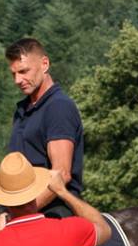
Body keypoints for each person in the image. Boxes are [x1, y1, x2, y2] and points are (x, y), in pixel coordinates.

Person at [5, 38, 84, 219]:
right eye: (13, 74)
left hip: (56, 211)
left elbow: (61, 174)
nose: (18, 80)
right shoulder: (22, 110)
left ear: (45, 64)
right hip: (24, 209)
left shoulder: (58, 107)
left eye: (24, 71)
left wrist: (20, 215)